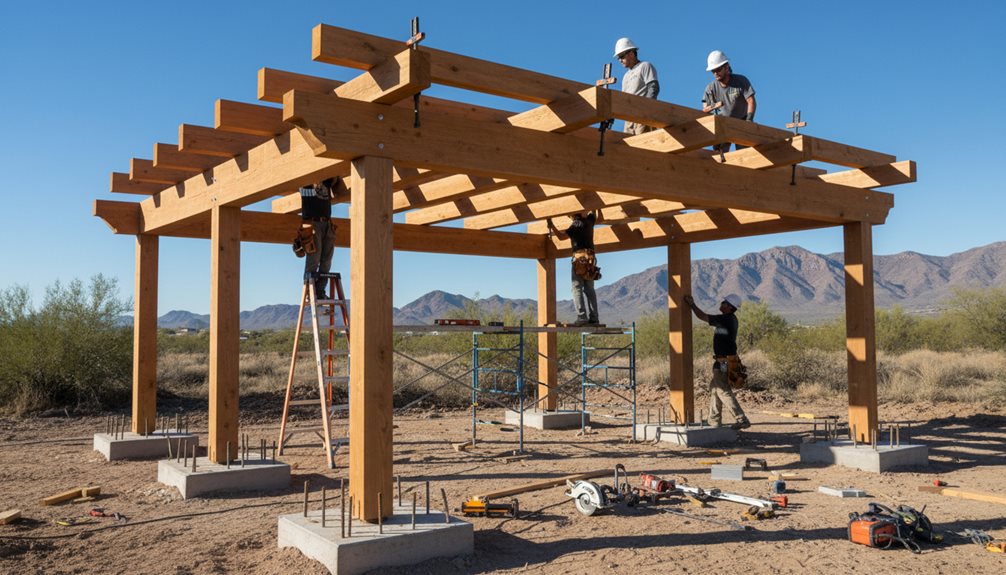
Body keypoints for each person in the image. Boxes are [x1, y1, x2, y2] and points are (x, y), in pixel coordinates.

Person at [682, 293, 751, 430]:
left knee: (722, 390)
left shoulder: (725, 319)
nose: (721, 304)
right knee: (714, 389)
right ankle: (714, 420)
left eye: (724, 303)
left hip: (723, 361)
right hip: (725, 360)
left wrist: (692, 305)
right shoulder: (731, 319)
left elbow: (702, 316)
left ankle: (741, 419)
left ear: (729, 307)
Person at [548, 211, 601, 326]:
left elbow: (562, 237)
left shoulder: (576, 224)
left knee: (577, 288)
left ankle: (582, 317)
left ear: (574, 215)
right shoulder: (590, 221)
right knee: (589, 289)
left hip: (580, 260)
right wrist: (596, 207)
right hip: (590, 260)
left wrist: (552, 226)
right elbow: (597, 216)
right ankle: (594, 318)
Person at [702, 50, 756, 153]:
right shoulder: (710, 89)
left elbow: (751, 100)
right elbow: (705, 110)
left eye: (718, 69)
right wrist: (713, 129)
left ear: (726, 67)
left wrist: (749, 121)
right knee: (721, 155)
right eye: (713, 71)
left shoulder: (740, 81)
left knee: (744, 155)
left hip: (741, 122)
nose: (715, 73)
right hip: (723, 124)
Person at [299, 177, 339, 299]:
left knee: (327, 260)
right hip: (313, 223)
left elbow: (336, 180)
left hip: (327, 223)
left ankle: (320, 291)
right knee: (314, 259)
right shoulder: (305, 182)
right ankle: (309, 292)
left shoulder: (327, 180)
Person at [613, 37, 659, 135]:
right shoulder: (626, 76)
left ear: (631, 53)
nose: (620, 60)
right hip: (629, 119)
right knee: (629, 147)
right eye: (618, 58)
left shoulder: (645, 66)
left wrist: (646, 110)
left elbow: (653, 88)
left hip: (643, 115)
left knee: (643, 144)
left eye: (622, 56)